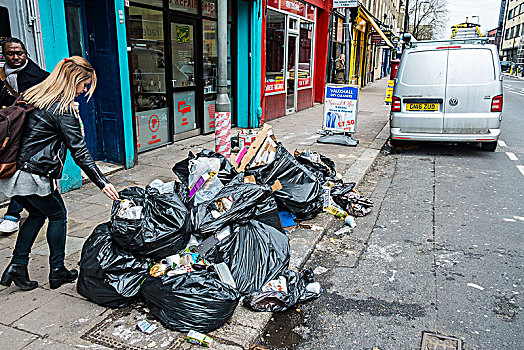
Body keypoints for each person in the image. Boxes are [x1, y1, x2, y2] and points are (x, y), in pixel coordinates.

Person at [0, 56, 119, 291]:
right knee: (57, 215)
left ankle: (17, 265)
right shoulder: (62, 109)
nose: (84, 90)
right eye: (85, 84)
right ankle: (57, 271)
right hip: (31, 175)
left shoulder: (34, 95)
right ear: (75, 80)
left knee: (36, 214)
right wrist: (102, 182)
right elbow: (80, 151)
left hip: (14, 172)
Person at [0, 37, 49, 233]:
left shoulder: (40, 76)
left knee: (20, 169)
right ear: (4, 56)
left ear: (26, 53)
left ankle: (12, 214)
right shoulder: (2, 76)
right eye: (10, 53)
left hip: (30, 133)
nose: (16, 57)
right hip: (8, 131)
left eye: (19, 53)